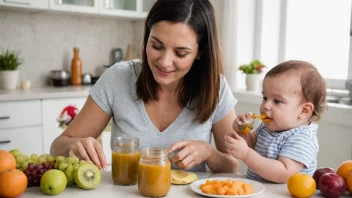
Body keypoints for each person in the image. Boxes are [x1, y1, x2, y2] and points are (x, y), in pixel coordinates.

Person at [50, 0, 239, 173]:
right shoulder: (118, 78)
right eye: (156, 46)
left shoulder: (215, 87)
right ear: (147, 37)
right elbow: (58, 146)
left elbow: (232, 167)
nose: (164, 62)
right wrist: (72, 147)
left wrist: (209, 153)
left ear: (200, 52)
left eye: (180, 53)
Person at [225, 60, 327, 183]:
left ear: (304, 110)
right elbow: (252, 145)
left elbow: (284, 173)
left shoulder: (302, 138)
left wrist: (246, 155)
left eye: (277, 101)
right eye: (265, 98)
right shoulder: (267, 127)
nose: (266, 106)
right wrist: (243, 132)